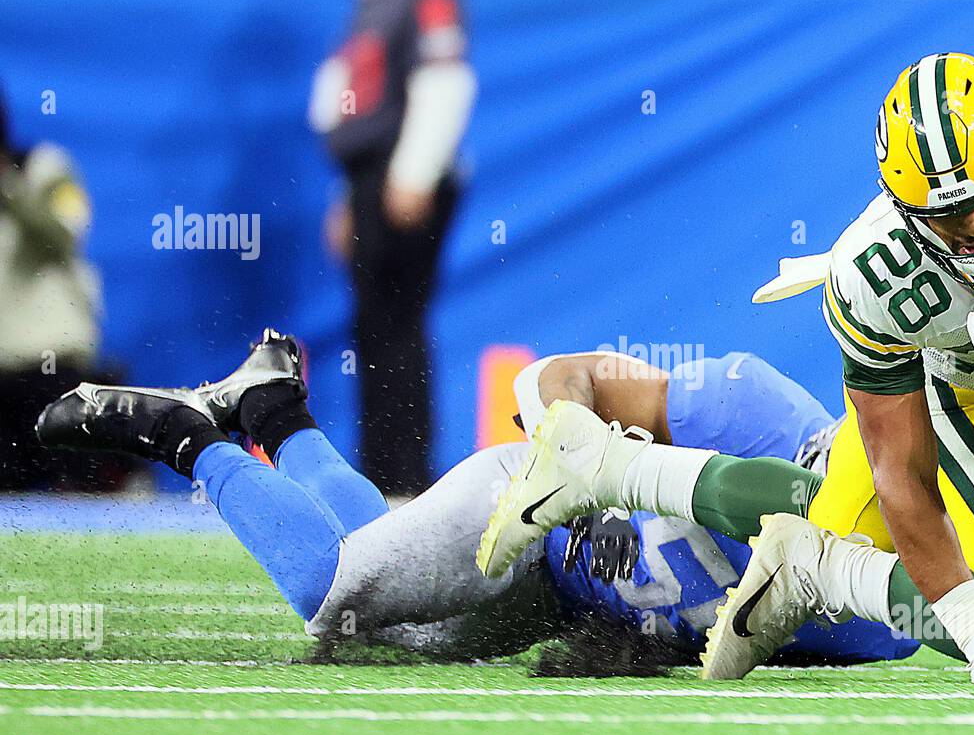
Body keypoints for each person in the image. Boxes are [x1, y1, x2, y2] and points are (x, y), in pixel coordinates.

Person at [479, 52, 974, 686]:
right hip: (951, 380)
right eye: (943, 216)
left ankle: (612, 469)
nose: (971, 229)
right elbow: (899, 469)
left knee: (821, 516)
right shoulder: (878, 276)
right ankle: (817, 568)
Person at [35, 332, 916, 671]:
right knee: (331, 598)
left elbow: (734, 650)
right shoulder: (749, 404)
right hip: (526, 518)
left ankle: (273, 410)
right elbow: (555, 377)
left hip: (552, 605)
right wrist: (596, 479)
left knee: (368, 637)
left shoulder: (878, 619)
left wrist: (631, 648)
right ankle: (188, 436)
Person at [309, 0, 476, 495]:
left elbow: (445, 80)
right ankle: (380, 472)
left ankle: (404, 476)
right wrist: (349, 195)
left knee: (397, 327)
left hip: (400, 176)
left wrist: (413, 172)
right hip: (372, 179)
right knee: (376, 328)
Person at [0, 85, 121, 491]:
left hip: (49, 368)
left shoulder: (44, 168)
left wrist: (10, 188)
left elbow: (69, 230)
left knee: (70, 498)